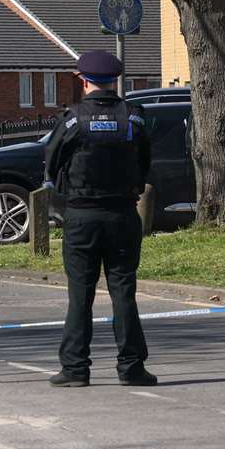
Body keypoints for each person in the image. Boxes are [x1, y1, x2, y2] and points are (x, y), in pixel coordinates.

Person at [42, 50, 154, 388]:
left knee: (80, 294)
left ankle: (75, 369)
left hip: (81, 216)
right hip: (122, 215)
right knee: (123, 292)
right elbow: (146, 163)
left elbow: (51, 163)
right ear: (115, 80)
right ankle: (132, 367)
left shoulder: (72, 119)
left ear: (84, 79)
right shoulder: (133, 118)